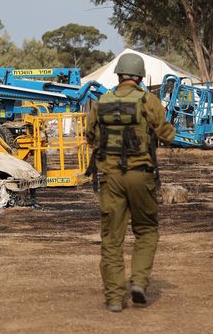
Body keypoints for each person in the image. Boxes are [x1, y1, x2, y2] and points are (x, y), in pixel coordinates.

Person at [85, 53, 176, 312]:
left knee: (111, 239)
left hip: (110, 179)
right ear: (141, 77)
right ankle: (138, 282)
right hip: (141, 176)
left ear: (118, 76)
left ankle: (114, 298)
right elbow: (167, 133)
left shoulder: (100, 102)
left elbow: (90, 135)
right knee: (146, 230)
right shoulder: (149, 100)